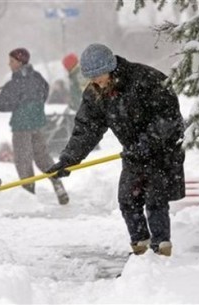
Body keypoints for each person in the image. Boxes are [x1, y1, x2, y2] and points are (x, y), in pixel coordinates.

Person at [46, 44, 185, 256]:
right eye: (91, 77)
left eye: (99, 75)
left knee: (155, 200)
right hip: (133, 154)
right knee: (128, 199)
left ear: (110, 67)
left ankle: (161, 249)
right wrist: (68, 160)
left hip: (161, 150)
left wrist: (147, 144)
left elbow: (169, 117)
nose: (95, 81)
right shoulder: (95, 92)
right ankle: (141, 247)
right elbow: (86, 129)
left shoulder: (145, 78)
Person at [0, 47, 69, 205]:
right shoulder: (37, 77)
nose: (9, 64)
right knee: (42, 157)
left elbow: (3, 104)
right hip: (38, 124)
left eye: (12, 61)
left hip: (21, 126)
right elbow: (45, 93)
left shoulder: (15, 83)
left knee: (23, 160)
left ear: (20, 62)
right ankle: (58, 184)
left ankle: (29, 194)